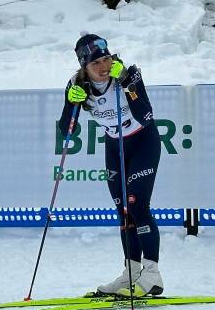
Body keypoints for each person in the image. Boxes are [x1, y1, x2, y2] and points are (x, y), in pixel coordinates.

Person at [58, 34, 164, 296]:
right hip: (115, 146)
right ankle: (130, 272)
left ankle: (152, 274)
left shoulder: (127, 75)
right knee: (123, 210)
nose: (104, 67)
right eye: (96, 64)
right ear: (84, 67)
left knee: (137, 203)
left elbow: (146, 114)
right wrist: (71, 103)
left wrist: (128, 84)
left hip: (143, 141)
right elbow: (66, 132)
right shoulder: (76, 84)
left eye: (106, 59)